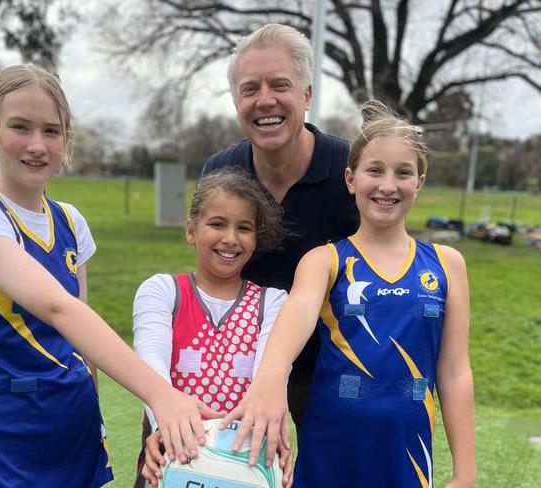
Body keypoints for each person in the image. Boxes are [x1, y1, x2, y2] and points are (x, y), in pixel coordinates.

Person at [0, 64, 220, 488]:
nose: (38, 145)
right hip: (1, 430)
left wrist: (96, 415)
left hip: (72, 420)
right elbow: (58, 308)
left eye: (52, 131)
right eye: (20, 126)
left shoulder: (71, 222)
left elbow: (80, 336)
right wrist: (160, 394)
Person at [221, 101, 476, 487]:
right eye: (375, 170)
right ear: (351, 178)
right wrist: (270, 380)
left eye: (403, 173)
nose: (388, 185)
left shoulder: (446, 264)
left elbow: (455, 372)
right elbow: (297, 316)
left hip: (407, 453)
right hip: (330, 452)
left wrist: (466, 473)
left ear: (419, 182)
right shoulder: (325, 261)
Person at [202, 23, 359, 432]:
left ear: (307, 95)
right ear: (236, 99)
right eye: (250, 88)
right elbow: (212, 279)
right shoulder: (219, 172)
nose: (264, 100)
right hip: (238, 367)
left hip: (330, 369)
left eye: (280, 85)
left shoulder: (351, 171)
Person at [133, 168, 294, 487]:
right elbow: (151, 367)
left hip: (246, 467)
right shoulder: (162, 292)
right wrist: (163, 426)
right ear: (191, 230)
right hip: (172, 461)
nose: (230, 238)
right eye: (217, 224)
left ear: (255, 239)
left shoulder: (272, 304)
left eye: (244, 228)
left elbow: (270, 379)